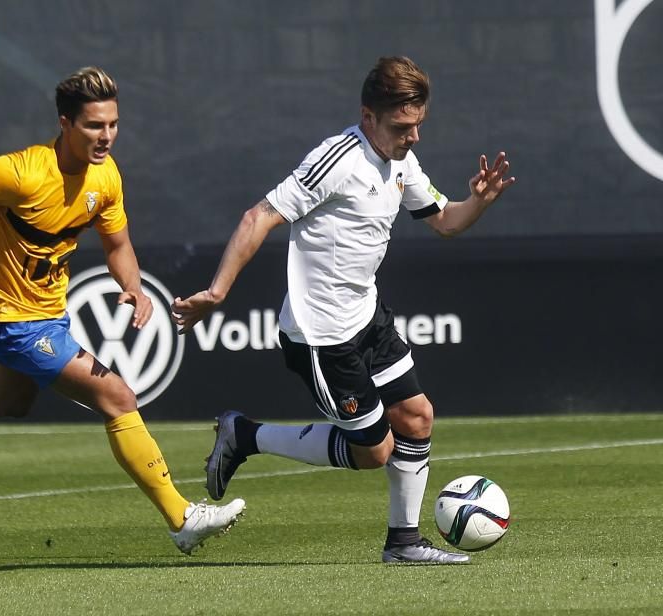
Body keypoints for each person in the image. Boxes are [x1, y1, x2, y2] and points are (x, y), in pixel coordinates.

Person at [0, 66, 245, 556]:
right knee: (118, 397)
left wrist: (133, 286)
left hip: (50, 314)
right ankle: (182, 517)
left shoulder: (105, 176)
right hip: (14, 322)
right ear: (65, 123)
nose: (106, 135)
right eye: (94, 125)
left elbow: (118, 245)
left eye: (113, 124)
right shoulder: (20, 172)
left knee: (9, 402)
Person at [171, 56, 514, 564]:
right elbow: (259, 216)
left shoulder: (402, 161)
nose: (413, 136)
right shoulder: (337, 159)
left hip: (367, 318)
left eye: (419, 124)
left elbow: (444, 221)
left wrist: (478, 201)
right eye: (402, 126)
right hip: (322, 337)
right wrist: (218, 292)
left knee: (416, 418)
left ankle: (403, 544)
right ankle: (245, 435)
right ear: (368, 116)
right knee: (374, 452)